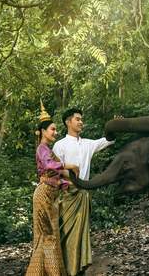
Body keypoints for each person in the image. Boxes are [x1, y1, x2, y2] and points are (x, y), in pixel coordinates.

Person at [52, 108, 114, 276]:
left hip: (83, 193)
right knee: (66, 235)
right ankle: (64, 270)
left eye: (81, 119)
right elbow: (55, 171)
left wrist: (116, 126)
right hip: (66, 195)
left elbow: (106, 140)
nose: (81, 122)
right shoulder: (59, 145)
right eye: (77, 119)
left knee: (80, 235)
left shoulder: (87, 144)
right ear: (68, 122)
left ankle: (78, 270)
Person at [26, 104, 79, 276]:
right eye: (53, 129)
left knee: (49, 235)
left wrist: (68, 184)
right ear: (42, 131)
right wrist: (67, 165)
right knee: (47, 236)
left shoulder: (48, 150)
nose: (55, 133)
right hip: (43, 195)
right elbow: (50, 166)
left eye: (56, 130)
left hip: (51, 195)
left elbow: (55, 178)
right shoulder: (42, 149)